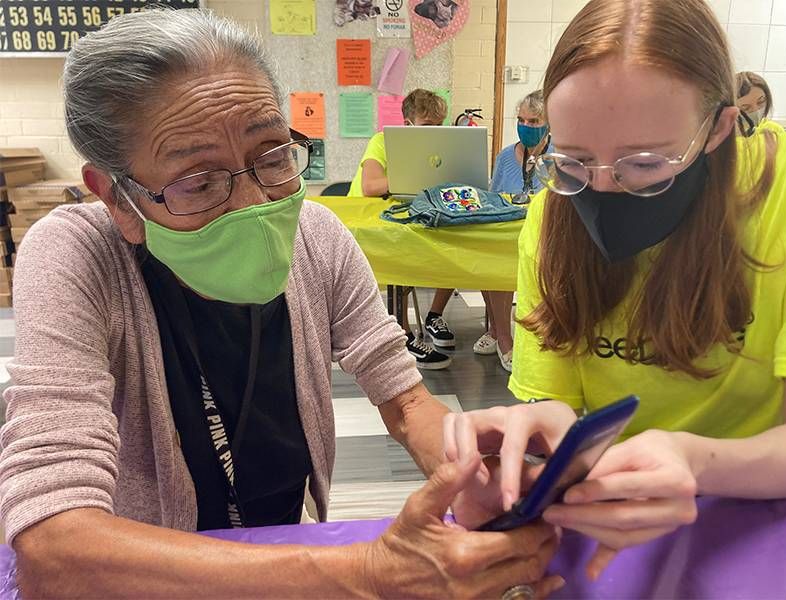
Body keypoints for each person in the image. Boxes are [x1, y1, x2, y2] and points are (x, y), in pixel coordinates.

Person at [0, 9, 564, 598]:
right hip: (147, 579)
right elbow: (52, 545)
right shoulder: (78, 256)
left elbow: (406, 401)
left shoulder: (315, 237)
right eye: (198, 181)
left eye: (272, 155)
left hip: (278, 554)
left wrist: (469, 466)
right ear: (117, 198)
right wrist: (365, 573)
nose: (252, 203)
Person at [443, 0, 786, 582]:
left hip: (763, 519)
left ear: (719, 126)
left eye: (645, 164)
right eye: (575, 161)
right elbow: (555, 403)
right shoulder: (552, 215)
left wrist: (694, 462)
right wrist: (533, 455)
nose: (603, 191)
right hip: (611, 517)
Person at [349, 89, 457, 369]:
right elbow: (370, 186)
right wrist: (415, 175)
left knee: (456, 244)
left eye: (439, 125)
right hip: (366, 224)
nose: (434, 133)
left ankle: (434, 316)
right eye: (427, 126)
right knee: (404, 261)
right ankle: (404, 336)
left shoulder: (440, 147)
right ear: (407, 124)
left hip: (405, 218)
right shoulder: (382, 141)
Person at [474, 90, 550, 373]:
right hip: (507, 235)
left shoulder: (558, 158)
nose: (526, 127)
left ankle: (502, 332)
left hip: (543, 240)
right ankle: (502, 336)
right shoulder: (506, 156)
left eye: (534, 121)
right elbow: (493, 198)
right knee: (489, 260)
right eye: (521, 120)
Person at [735, 71, 784, 136]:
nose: (756, 110)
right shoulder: (724, 136)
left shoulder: (774, 130)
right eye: (746, 108)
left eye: (761, 101)